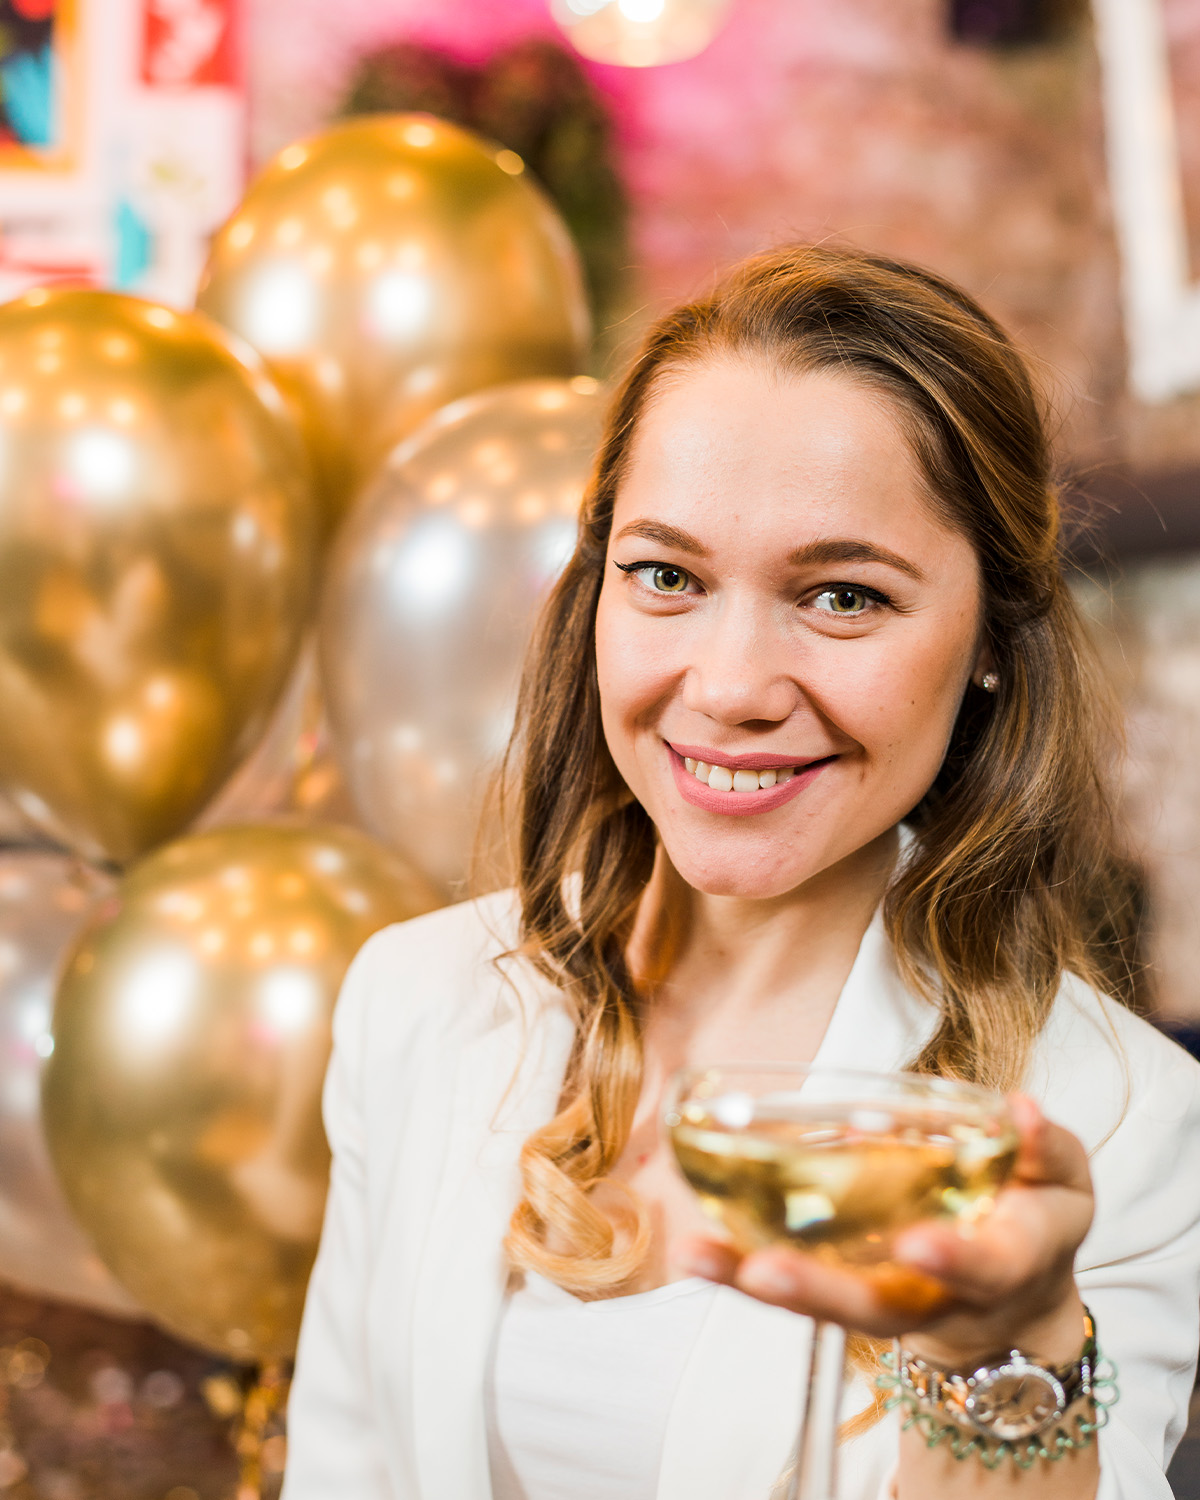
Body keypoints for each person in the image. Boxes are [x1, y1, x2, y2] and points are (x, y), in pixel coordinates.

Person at [281, 246, 1200, 1500]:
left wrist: (1004, 1350)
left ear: (991, 639)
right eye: (667, 576)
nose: (727, 689)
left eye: (840, 597)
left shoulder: (1118, 1117)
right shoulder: (418, 1000)